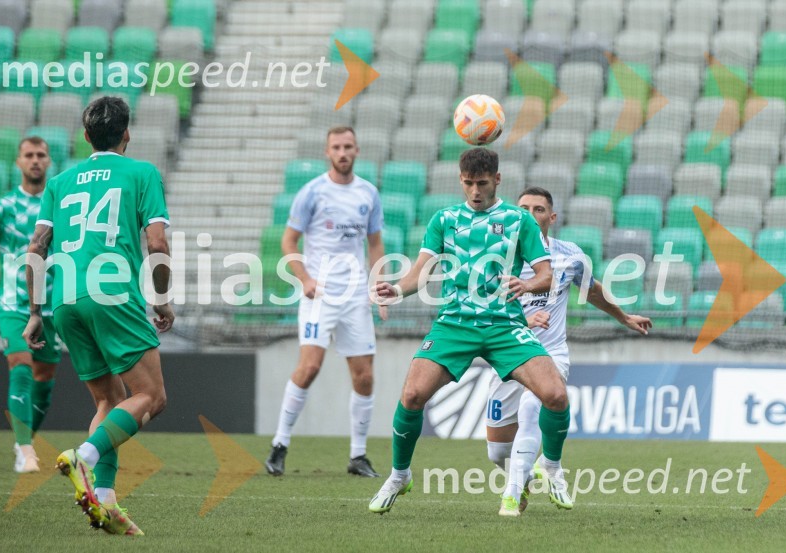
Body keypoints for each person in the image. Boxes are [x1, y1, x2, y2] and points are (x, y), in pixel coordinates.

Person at [368, 148, 571, 514]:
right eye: (467, 183)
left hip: (505, 325)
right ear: (460, 180)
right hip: (456, 323)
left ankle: (551, 466)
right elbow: (421, 271)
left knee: (555, 394)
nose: (474, 191)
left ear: (497, 179)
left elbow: (546, 275)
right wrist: (397, 289)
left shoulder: (518, 220)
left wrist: (527, 286)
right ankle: (399, 475)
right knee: (412, 394)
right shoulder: (444, 219)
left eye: (481, 183)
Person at [23, 96, 174, 536]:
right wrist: (161, 300)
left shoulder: (61, 181)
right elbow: (158, 243)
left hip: (65, 300)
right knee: (153, 395)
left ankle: (105, 501)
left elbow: (36, 249)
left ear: (86, 137)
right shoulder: (141, 173)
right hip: (110, 295)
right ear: (127, 134)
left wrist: (35, 312)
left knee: (110, 400)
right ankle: (83, 458)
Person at [488, 187, 652, 516]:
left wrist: (624, 317)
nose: (530, 214)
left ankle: (514, 491)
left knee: (533, 411)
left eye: (538, 209)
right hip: (508, 356)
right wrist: (522, 319)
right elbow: (482, 309)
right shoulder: (495, 257)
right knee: (497, 452)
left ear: (551, 217)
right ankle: (532, 469)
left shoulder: (569, 255)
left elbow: (592, 291)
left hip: (550, 355)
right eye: (524, 208)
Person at [265, 126, 386, 478]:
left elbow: (375, 244)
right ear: (327, 151)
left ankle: (358, 456)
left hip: (354, 296)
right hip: (320, 295)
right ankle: (280, 445)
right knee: (309, 368)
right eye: (336, 147)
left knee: (364, 376)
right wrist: (304, 279)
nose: (342, 152)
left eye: (348, 146)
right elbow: (289, 241)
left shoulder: (368, 193)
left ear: (357, 150)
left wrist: (376, 287)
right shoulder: (312, 192)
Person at [0, 137, 60, 473]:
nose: (35, 161)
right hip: (13, 304)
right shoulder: (2, 207)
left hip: (52, 305)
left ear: (49, 161)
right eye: (28, 155)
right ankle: (27, 450)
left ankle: (22, 440)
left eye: (41, 155)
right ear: (17, 162)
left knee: (44, 376)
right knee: (21, 365)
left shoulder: (58, 205)